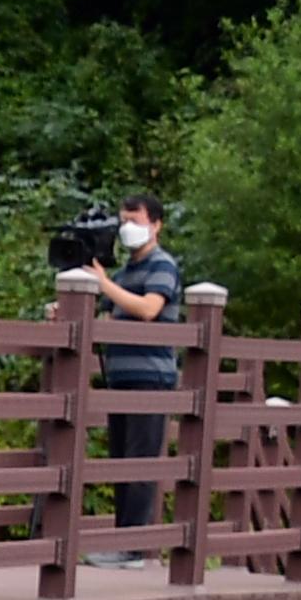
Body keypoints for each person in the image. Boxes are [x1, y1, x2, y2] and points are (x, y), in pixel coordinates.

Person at [83, 194, 187, 564]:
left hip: (151, 380)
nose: (128, 226)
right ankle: (122, 544)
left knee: (140, 463)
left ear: (156, 224)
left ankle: (134, 548)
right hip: (121, 378)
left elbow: (148, 309)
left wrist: (102, 284)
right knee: (121, 462)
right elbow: (112, 321)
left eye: (136, 219)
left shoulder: (163, 266)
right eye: (123, 219)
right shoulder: (126, 273)